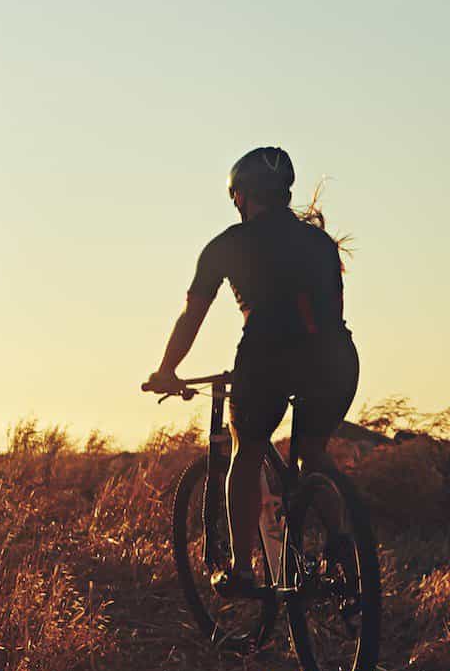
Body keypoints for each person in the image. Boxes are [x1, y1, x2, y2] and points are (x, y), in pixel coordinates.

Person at [144, 146, 359, 596]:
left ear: (240, 196)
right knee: (312, 454)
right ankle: (343, 547)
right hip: (337, 358)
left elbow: (192, 317)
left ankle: (243, 570)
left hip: (268, 360)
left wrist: (167, 370)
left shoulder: (228, 245)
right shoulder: (319, 242)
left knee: (247, 452)